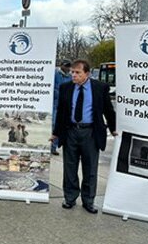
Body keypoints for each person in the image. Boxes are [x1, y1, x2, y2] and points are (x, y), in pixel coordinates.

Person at [50, 59, 117, 214]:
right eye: (72, 72)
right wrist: (56, 133)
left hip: (91, 133)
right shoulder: (66, 88)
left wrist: (113, 129)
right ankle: (70, 198)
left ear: (87, 73)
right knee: (70, 167)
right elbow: (61, 112)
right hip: (71, 132)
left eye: (77, 72)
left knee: (90, 169)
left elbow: (108, 110)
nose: (73, 75)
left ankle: (88, 201)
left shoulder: (100, 88)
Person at [51, 59, 72, 155]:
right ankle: (52, 147)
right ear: (61, 65)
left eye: (69, 66)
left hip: (66, 105)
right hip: (55, 103)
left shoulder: (71, 77)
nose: (67, 68)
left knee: (63, 126)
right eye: (66, 66)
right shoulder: (55, 75)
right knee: (55, 125)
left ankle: (56, 146)